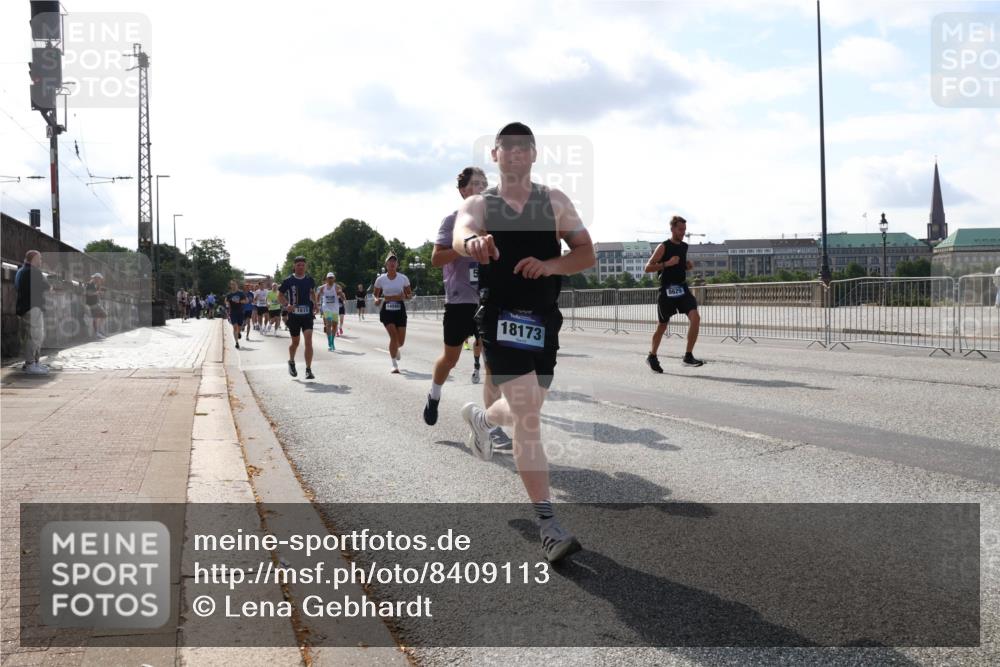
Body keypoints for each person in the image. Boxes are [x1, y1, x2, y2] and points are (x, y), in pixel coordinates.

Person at [452, 122, 595, 563]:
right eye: (506, 147)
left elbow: (586, 252)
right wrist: (474, 242)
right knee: (529, 415)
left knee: (523, 407)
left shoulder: (553, 201)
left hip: (543, 320)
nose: (515, 153)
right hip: (499, 320)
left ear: (533, 155)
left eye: (524, 147)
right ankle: (548, 524)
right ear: (495, 156)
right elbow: (462, 233)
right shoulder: (482, 203)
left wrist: (550, 266)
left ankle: (482, 419)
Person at [424, 166, 512, 452]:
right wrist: (466, 247)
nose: (481, 188)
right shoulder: (453, 221)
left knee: (493, 365)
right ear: (463, 190)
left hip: (488, 300)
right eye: (475, 184)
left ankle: (491, 425)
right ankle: (434, 394)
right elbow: (437, 258)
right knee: (450, 359)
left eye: (485, 184)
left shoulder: (495, 223)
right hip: (459, 301)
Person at [643, 215, 704, 371]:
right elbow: (648, 267)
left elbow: (679, 266)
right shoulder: (663, 246)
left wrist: (687, 266)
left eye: (684, 229)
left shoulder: (684, 246)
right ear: (672, 229)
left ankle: (688, 356)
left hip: (682, 289)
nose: (683, 232)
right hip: (667, 291)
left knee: (695, 317)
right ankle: (652, 356)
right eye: (680, 229)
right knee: (662, 326)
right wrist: (666, 263)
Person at [279, 256, 317, 379]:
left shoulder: (310, 280)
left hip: (307, 315)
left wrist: (315, 304)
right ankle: (291, 361)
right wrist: (286, 305)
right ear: (294, 266)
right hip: (294, 316)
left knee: (308, 340)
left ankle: (308, 369)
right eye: (298, 265)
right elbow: (280, 295)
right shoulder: (288, 281)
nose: (301, 267)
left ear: (305, 266)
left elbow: (312, 292)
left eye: (302, 265)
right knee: (295, 343)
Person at [374, 253, 412, 374]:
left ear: (397, 264)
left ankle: (395, 349)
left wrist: (405, 296)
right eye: (390, 262)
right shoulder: (380, 279)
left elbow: (409, 295)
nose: (392, 263)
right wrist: (376, 300)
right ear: (386, 265)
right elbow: (375, 294)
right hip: (387, 310)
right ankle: (394, 364)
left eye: (394, 262)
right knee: (393, 337)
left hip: (400, 309)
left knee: (400, 342)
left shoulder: (403, 278)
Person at [15, 250, 52, 374]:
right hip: (33, 308)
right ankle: (32, 365)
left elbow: (17, 287)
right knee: (35, 337)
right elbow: (46, 286)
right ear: (34, 259)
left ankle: (33, 363)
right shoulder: (34, 272)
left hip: (24, 307)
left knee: (31, 336)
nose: (41, 261)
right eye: (39, 258)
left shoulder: (21, 271)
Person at [317, 272, 341, 351]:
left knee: (334, 326)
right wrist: (317, 304)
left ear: (334, 278)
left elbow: (340, 293)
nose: (330, 279)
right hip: (326, 307)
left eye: (332, 278)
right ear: (327, 279)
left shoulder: (337, 286)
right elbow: (318, 295)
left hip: (335, 308)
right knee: (328, 324)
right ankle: (329, 343)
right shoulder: (322, 288)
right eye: (329, 278)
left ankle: (332, 341)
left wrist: (343, 298)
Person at [225, 281, 247, 349]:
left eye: (234, 284)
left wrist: (239, 301)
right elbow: (226, 301)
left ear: (237, 285)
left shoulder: (241, 293)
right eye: (232, 285)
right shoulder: (229, 294)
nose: (233, 286)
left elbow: (246, 301)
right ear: (231, 286)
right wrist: (227, 304)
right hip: (233, 312)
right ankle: (236, 343)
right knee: (235, 327)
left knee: (239, 327)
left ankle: (239, 332)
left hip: (240, 312)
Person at [85, 273, 107, 339]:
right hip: (92, 304)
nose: (100, 280)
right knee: (102, 315)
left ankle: (98, 332)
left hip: (95, 304)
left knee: (99, 317)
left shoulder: (95, 285)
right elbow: (88, 293)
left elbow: (97, 294)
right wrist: (96, 293)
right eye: (99, 279)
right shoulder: (90, 284)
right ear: (96, 278)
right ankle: (98, 332)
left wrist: (99, 288)